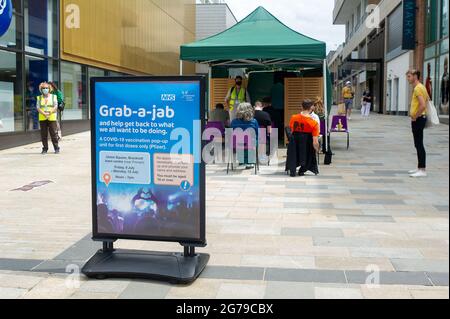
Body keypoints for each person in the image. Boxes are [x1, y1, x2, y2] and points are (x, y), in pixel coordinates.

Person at [407, 69, 429, 178]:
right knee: (418, 144)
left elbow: (422, 105)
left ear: (415, 76)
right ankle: (420, 167)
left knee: (419, 144)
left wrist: (415, 116)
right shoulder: (421, 87)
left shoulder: (418, 88)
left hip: (419, 119)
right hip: (419, 118)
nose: (408, 78)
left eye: (409, 76)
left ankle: (422, 170)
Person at [230, 103, 259, 170]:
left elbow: (231, 134)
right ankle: (249, 162)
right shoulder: (254, 121)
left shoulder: (234, 121)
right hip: (251, 143)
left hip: (237, 144)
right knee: (251, 141)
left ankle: (242, 160)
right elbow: (257, 134)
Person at [36, 82, 60, 154]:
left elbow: (56, 106)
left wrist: (50, 112)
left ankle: (56, 148)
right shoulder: (39, 97)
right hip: (42, 117)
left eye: (46, 88)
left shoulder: (53, 96)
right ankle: (45, 149)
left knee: (53, 134)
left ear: (49, 89)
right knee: (44, 134)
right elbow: (38, 107)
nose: (45, 89)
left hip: (51, 117)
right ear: (41, 89)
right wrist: (43, 113)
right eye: (43, 88)